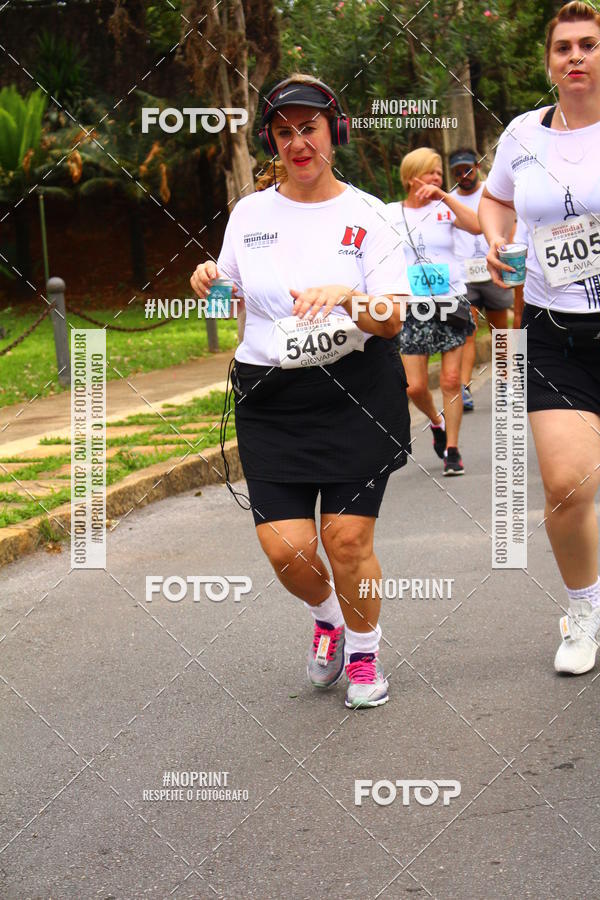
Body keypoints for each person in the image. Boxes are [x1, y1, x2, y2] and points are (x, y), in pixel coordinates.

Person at [190, 74, 412, 708]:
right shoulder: (250, 214)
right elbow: (231, 294)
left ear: (334, 132)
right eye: (284, 132)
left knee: (347, 540)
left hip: (355, 392)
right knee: (286, 549)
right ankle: (328, 618)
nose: (298, 143)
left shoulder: (369, 214)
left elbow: (393, 317)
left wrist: (347, 295)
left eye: (309, 128)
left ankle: (364, 656)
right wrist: (210, 280)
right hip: (271, 395)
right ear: (272, 142)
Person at [480, 0, 600, 675]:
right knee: (566, 484)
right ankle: (584, 610)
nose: (576, 56)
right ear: (549, 61)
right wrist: (497, 239)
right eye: (564, 47)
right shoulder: (523, 134)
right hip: (555, 329)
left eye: (589, 44)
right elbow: (496, 200)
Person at [387, 148, 481, 476]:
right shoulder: (390, 213)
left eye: (440, 173)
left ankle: (452, 449)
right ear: (411, 176)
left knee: (451, 380)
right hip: (413, 306)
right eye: (431, 172)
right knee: (414, 386)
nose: (437, 178)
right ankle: (436, 422)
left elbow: (477, 225)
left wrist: (445, 197)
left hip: (451, 301)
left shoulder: (446, 208)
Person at [448, 148, 515, 412]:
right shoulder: (450, 199)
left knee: (501, 331)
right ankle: (464, 388)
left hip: (494, 268)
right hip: (465, 275)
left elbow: (512, 222)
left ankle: (507, 383)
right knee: (468, 333)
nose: (463, 176)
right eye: (457, 172)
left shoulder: (492, 190)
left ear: (477, 167)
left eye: (467, 169)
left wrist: (510, 254)